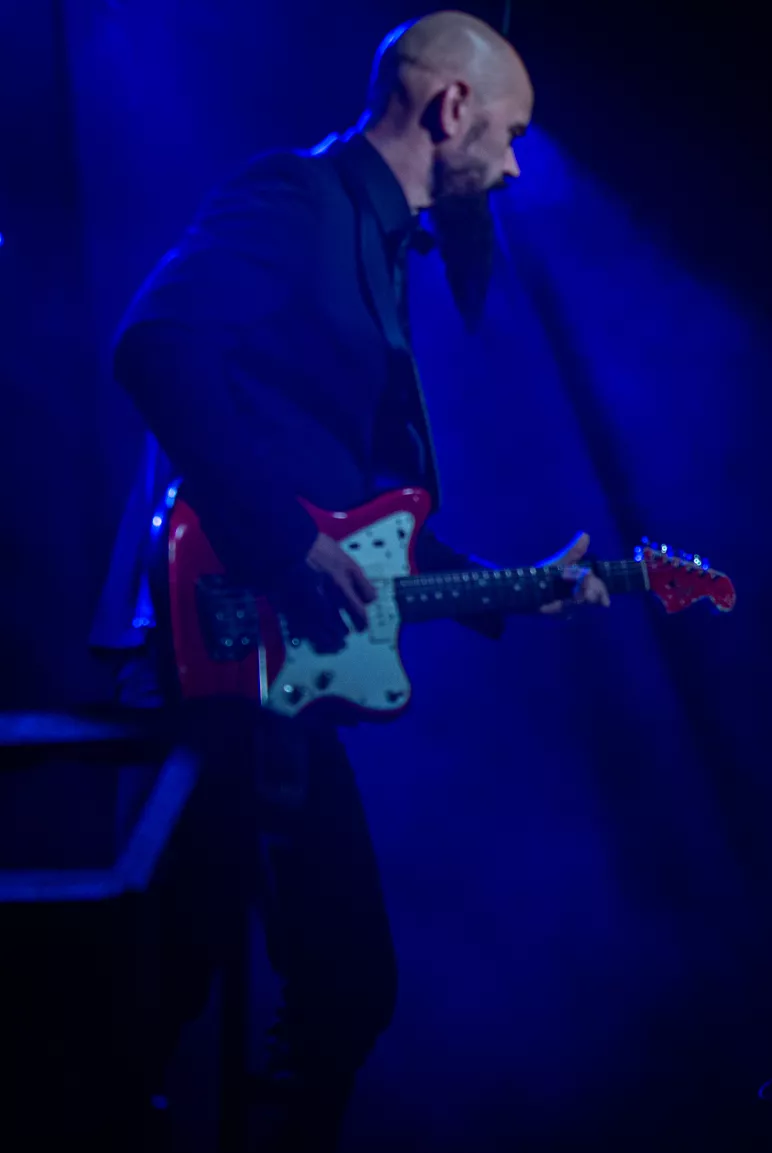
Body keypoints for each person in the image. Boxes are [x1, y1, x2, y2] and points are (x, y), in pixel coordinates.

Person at [84, 12, 606, 1150]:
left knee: (309, 982)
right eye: (511, 133)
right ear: (451, 108)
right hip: (207, 647)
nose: (516, 167)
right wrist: (281, 543)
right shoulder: (295, 196)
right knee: (167, 987)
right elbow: (154, 345)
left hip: (272, 673)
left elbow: (359, 524)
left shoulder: (375, 245)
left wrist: (511, 588)